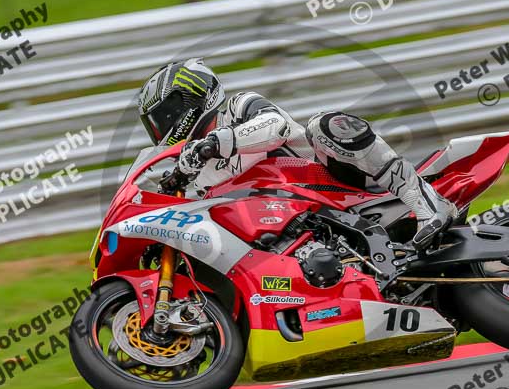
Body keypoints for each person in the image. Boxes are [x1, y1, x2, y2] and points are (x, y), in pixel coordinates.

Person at [137, 58, 458, 249]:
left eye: (164, 116)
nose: (161, 129)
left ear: (190, 98)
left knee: (326, 124)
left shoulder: (238, 107)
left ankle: (426, 202)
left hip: (339, 185)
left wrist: (216, 141)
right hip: (295, 226)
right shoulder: (201, 171)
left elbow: (274, 125)